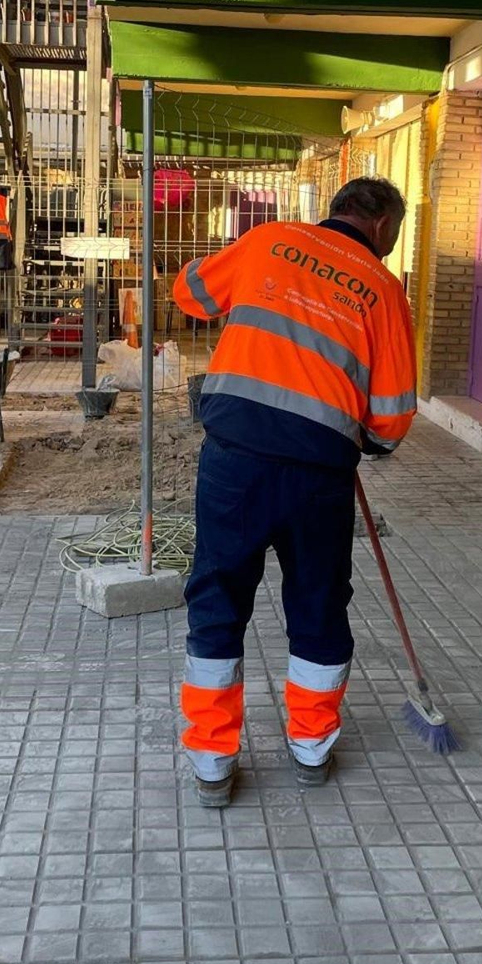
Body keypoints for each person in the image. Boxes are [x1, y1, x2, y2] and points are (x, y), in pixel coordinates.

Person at [171, 176, 417, 808]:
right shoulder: (385, 290)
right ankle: (310, 747)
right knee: (317, 602)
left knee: (219, 597)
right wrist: (369, 444)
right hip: (319, 477)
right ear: (384, 227)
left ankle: (212, 758)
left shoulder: (268, 239)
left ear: (336, 210)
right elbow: (390, 415)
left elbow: (190, 293)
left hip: (234, 462)